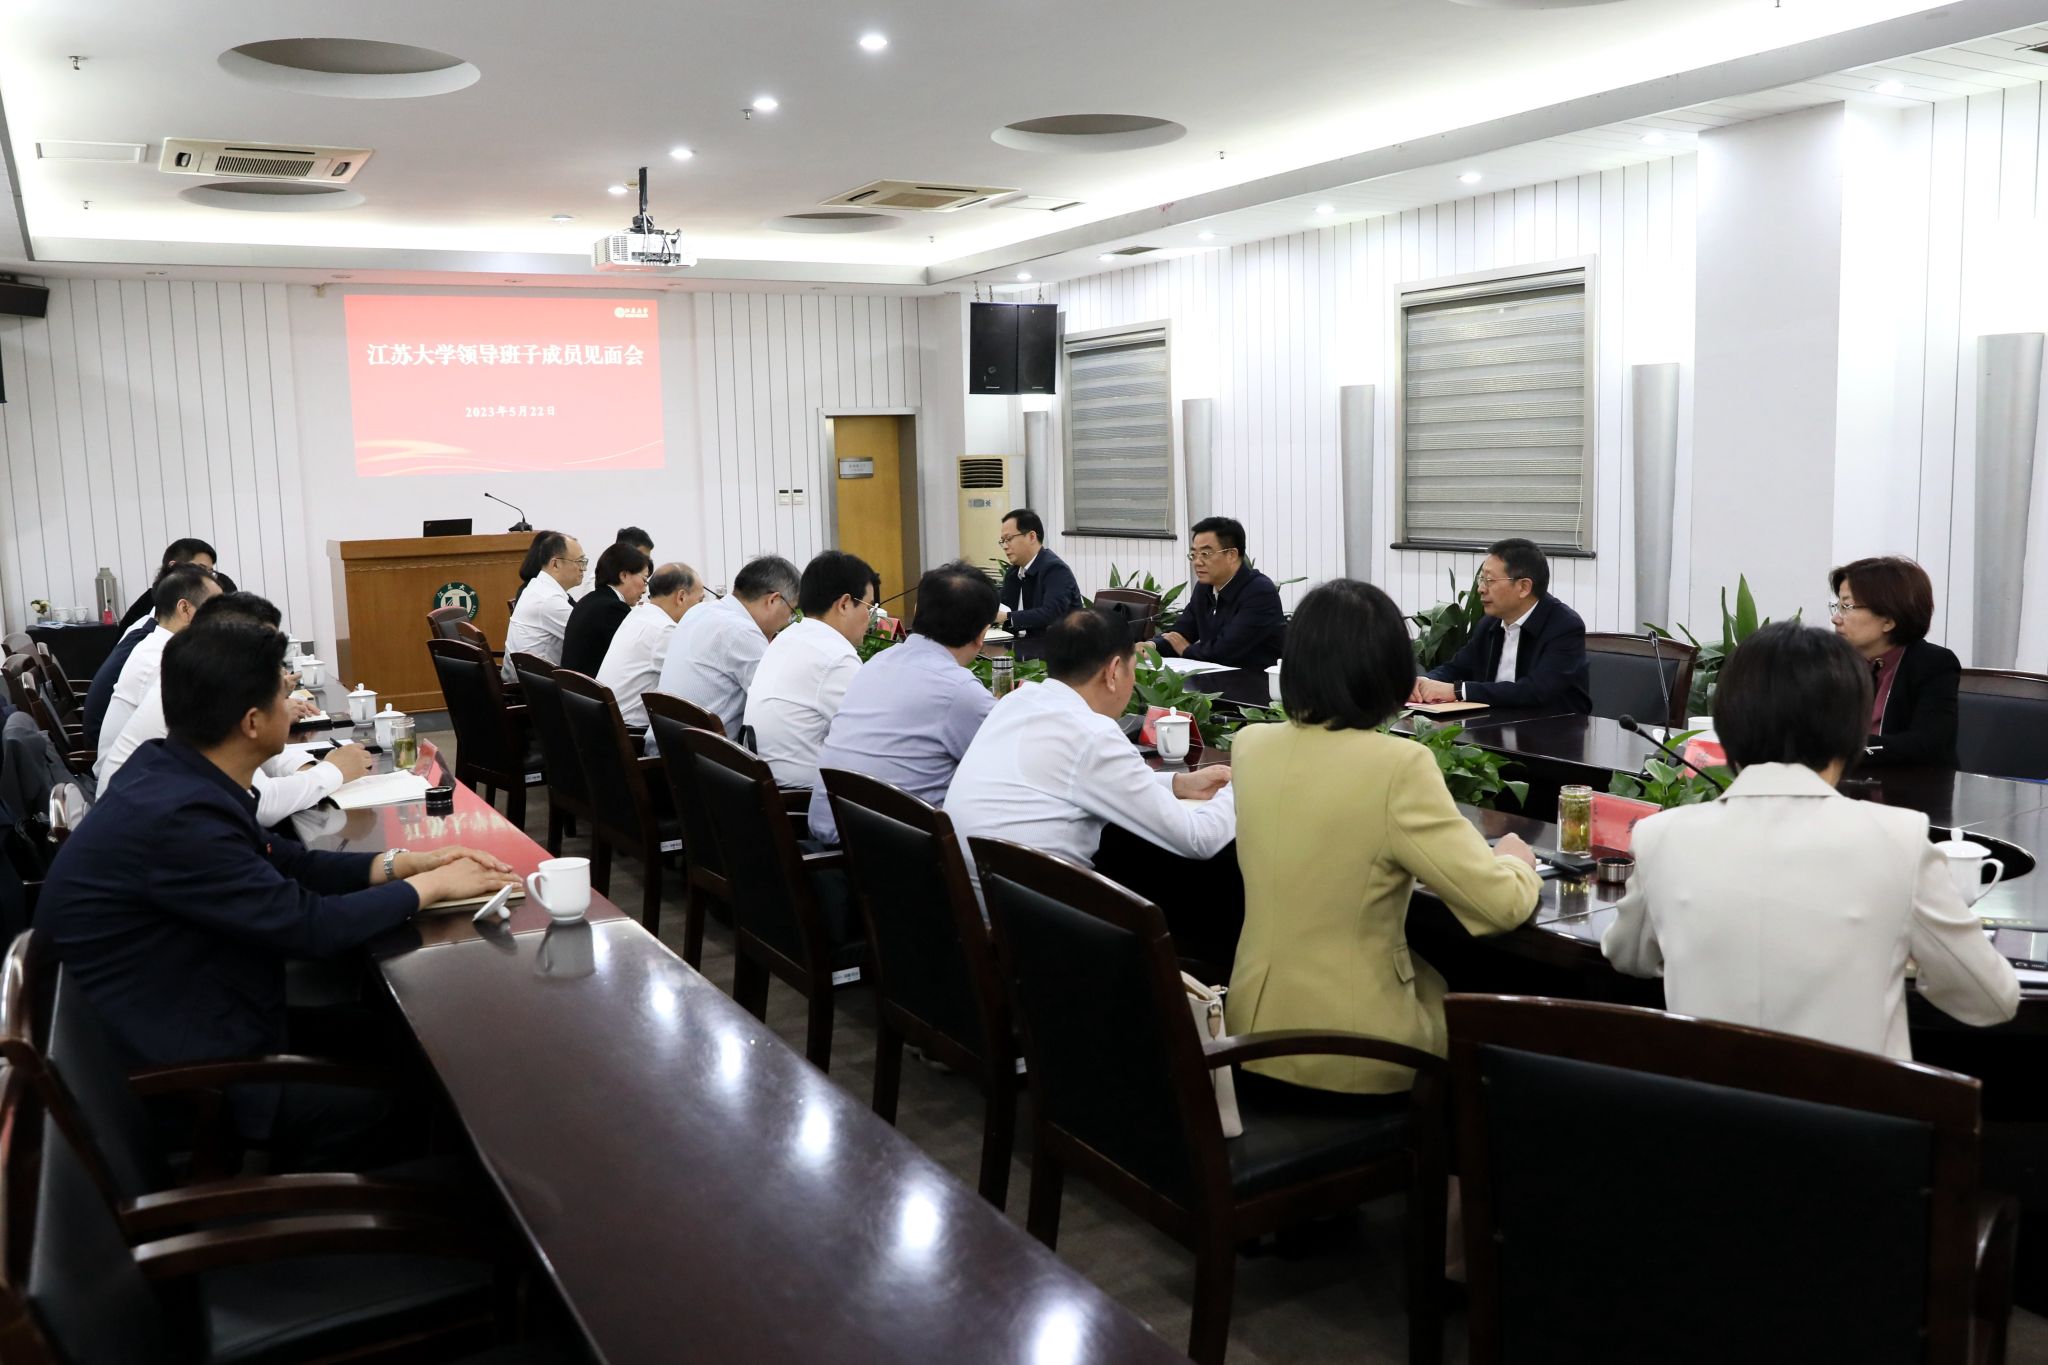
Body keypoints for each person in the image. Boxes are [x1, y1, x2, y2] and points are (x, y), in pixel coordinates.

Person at [40, 619, 516, 1169]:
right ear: (252, 722)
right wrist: (428, 888)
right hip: (185, 1079)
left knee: (403, 1040)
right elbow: (309, 928)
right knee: (431, 1104)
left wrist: (401, 863)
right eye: (283, 695)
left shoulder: (171, 770)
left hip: (189, 1014)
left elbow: (287, 861)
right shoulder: (179, 817)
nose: (292, 705)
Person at [1603, 621, 2017, 1059]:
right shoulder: (1900, 840)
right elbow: (1992, 998)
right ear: (1853, 731)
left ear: (1726, 724)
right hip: (1853, 1102)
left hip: (1704, 1096)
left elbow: (1628, 955)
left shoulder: (1661, 836)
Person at [1224, 580, 1541, 1096]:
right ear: (1388, 671)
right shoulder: (1398, 764)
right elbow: (1501, 905)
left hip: (1250, 1030)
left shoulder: (1251, 745)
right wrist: (1514, 859)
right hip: (1354, 1047)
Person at [948, 607, 1235, 883]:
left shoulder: (1016, 701)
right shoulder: (1092, 735)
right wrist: (1241, 787)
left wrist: (1177, 783)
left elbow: (1082, 777)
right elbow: (1199, 839)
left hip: (976, 896)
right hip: (1036, 909)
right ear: (1113, 672)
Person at [97, 593, 376, 818]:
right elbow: (260, 803)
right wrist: (332, 772)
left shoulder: (212, 674)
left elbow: (258, 750)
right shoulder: (201, 688)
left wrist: (307, 767)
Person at [808, 562, 1000, 844]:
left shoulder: (875, 664)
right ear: (982, 634)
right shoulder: (960, 691)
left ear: (916, 611)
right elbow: (1004, 769)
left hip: (830, 841)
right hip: (893, 857)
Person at [1412, 537, 1590, 713]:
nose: (1481, 589)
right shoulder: (1490, 623)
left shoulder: (1564, 627)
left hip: (1552, 727)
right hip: (1494, 724)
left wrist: (1459, 691)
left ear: (1523, 587)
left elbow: (1536, 691)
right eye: (1481, 579)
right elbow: (1457, 667)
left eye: (1489, 580)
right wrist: (1424, 682)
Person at [746, 551, 877, 788]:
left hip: (766, 786)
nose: (869, 619)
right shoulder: (835, 656)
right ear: (844, 604)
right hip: (800, 796)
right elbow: (872, 738)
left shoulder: (789, 637)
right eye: (869, 607)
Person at [1829, 555, 1959, 768]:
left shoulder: (1933, 664)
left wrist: (1843, 750)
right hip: (1846, 781)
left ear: (1888, 621)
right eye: (1837, 606)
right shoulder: (1836, 663)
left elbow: (1928, 744)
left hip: (1913, 785)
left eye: (1847, 607)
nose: (1835, 618)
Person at [96, 564, 222, 782]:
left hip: (145, 776)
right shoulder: (160, 662)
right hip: (131, 785)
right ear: (185, 609)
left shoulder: (162, 647)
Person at [654, 555, 799, 738]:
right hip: (705, 754)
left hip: (666, 745)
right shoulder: (742, 632)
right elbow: (780, 707)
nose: (788, 621)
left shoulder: (698, 611)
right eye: (792, 612)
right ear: (773, 600)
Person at [1152, 516, 1287, 670]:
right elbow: (1181, 632)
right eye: (1194, 555)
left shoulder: (1259, 592)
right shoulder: (1204, 588)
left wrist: (1186, 650)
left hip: (1255, 680)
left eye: (1205, 554)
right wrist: (1152, 647)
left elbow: (1225, 651)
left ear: (1232, 555)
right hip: (1214, 677)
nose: (1197, 562)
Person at [597, 561, 703, 729]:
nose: (702, 609)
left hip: (607, 726)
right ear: (681, 597)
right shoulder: (664, 630)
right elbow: (693, 685)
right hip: (632, 732)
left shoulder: (638, 615)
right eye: (700, 601)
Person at [560, 541, 652, 676]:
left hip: (572, 686)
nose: (644, 590)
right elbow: (636, 658)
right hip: (591, 687)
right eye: (644, 580)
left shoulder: (588, 600)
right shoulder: (613, 609)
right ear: (624, 575)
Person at [502, 530, 585, 679]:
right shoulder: (548, 600)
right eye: (579, 562)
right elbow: (589, 638)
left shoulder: (537, 586)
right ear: (556, 564)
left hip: (527, 680)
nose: (583, 568)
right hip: (531, 687)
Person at [115, 537, 237, 632]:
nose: (207, 577)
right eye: (201, 569)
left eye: (210, 572)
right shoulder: (145, 620)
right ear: (173, 567)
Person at [995, 509, 1082, 640]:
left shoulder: (1055, 569)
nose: (1005, 546)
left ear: (1032, 537)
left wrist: (1007, 617)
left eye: (1009, 539)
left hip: (1057, 646)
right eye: (1003, 541)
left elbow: (1051, 613)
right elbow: (1001, 604)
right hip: (1022, 645)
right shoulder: (1014, 572)